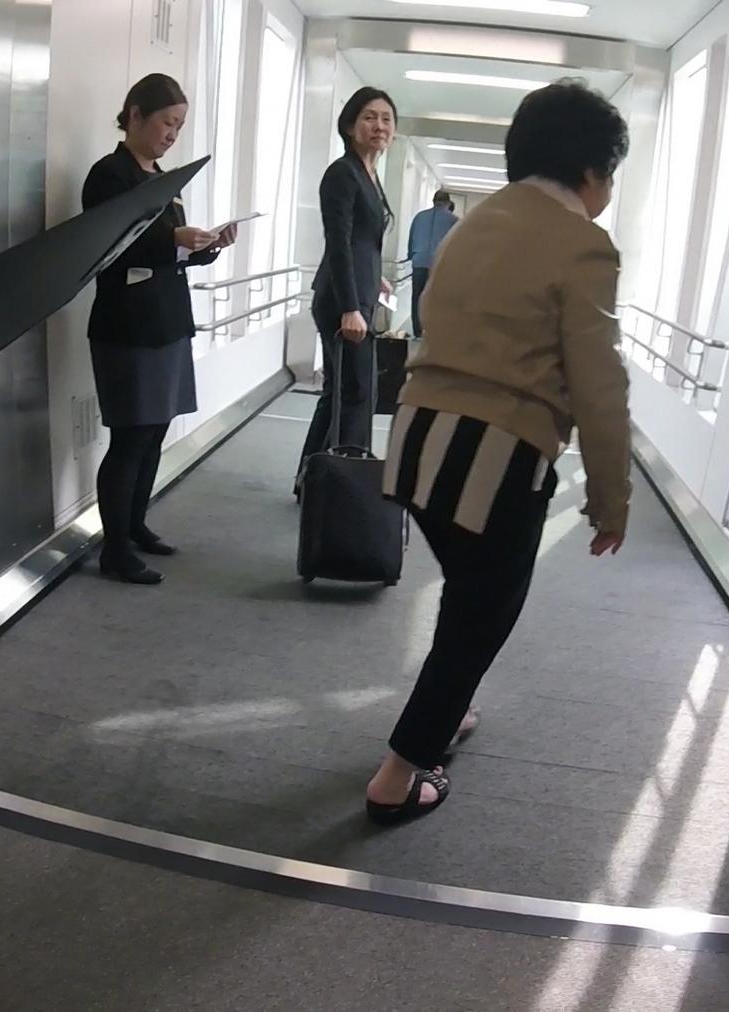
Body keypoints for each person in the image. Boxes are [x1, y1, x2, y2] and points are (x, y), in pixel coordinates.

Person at [363, 80, 634, 825]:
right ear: (591, 172)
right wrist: (611, 498)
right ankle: (398, 775)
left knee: (466, 593)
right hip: (496, 455)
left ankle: (444, 715)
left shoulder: (470, 227)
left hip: (416, 437)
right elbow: (600, 385)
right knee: (486, 608)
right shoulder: (583, 242)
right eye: (611, 174)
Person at [84, 74, 233, 585]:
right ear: (134, 114)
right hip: (127, 326)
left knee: (155, 434)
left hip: (167, 322)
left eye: (180, 126)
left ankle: (135, 525)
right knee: (130, 437)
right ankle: (115, 547)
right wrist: (174, 237)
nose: (173, 134)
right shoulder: (109, 176)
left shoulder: (164, 179)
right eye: (168, 122)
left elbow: (170, 255)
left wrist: (208, 245)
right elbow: (111, 245)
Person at [298, 87, 397, 493]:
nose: (379, 126)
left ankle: (313, 477)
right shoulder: (343, 172)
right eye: (370, 117)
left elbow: (362, 241)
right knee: (356, 392)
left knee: (342, 391)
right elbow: (337, 240)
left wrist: (374, 278)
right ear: (350, 126)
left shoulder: (369, 174)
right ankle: (340, 479)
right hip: (343, 302)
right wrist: (350, 306)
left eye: (387, 119)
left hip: (359, 293)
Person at [406, 188, 458, 339]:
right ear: (448, 203)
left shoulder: (419, 217)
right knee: (437, 299)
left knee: (417, 297)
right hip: (439, 266)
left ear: (433, 201)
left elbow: (411, 239)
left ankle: (417, 331)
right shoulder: (454, 221)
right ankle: (434, 331)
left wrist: (412, 257)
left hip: (419, 263)